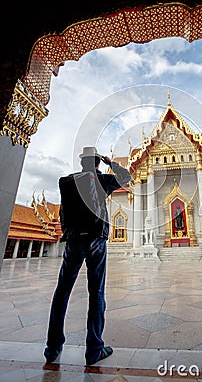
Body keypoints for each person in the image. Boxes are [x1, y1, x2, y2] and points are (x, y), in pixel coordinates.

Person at [44, 146, 131, 366]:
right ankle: (94, 349)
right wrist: (110, 162)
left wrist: (68, 233)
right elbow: (126, 177)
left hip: (73, 241)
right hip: (95, 241)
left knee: (61, 292)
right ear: (97, 163)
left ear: (82, 163)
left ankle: (52, 347)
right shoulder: (101, 180)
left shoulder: (67, 181)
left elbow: (64, 211)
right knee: (96, 293)